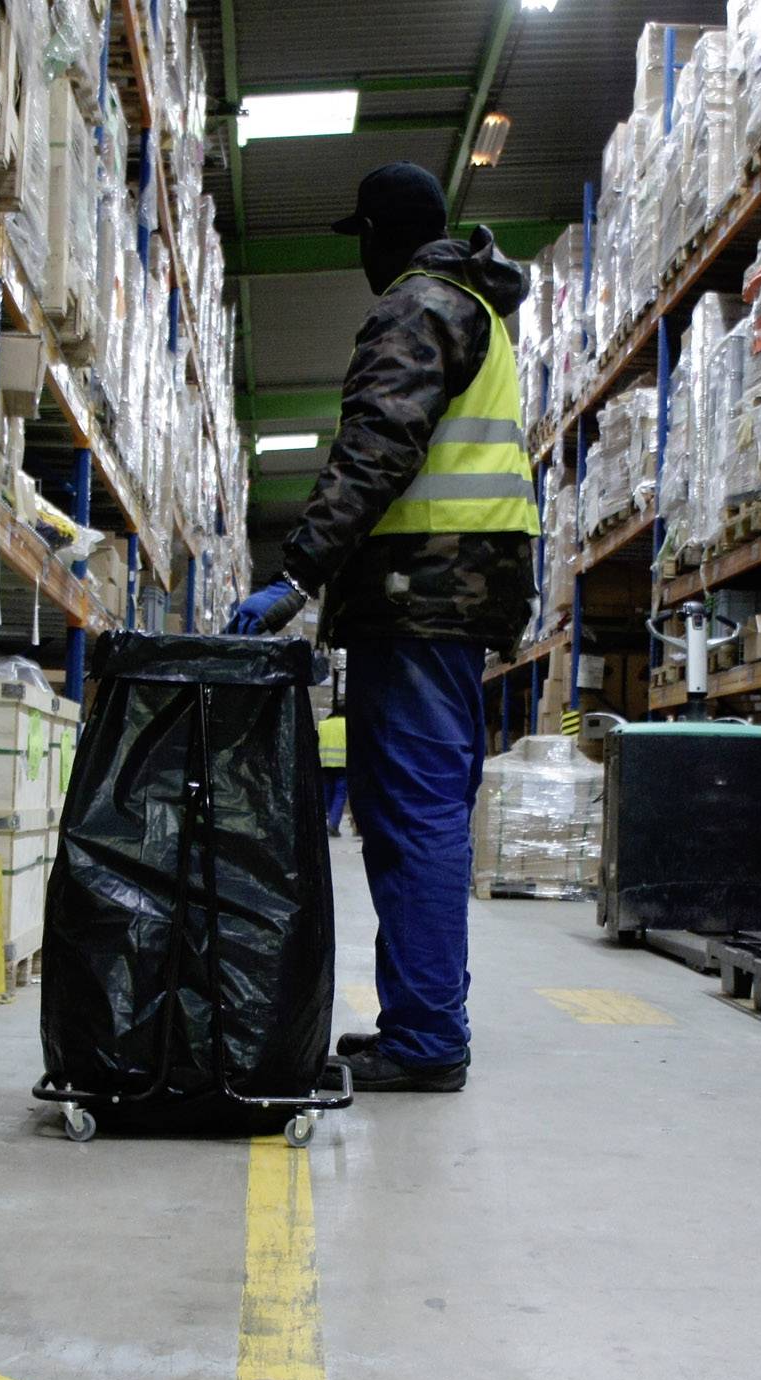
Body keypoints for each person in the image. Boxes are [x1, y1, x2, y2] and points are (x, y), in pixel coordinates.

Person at [225, 162, 539, 1094]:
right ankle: (419, 1022)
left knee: (415, 813)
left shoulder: (420, 303)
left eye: (359, 236)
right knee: (409, 812)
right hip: (443, 591)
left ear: (379, 233)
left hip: (424, 590)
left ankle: (430, 1037)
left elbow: (378, 443)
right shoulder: (469, 301)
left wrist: (295, 572)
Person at [317, 703, 350, 835]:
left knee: (326, 794)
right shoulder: (348, 724)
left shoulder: (323, 724)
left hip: (324, 764)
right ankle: (333, 824)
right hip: (343, 764)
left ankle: (320, 824)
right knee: (340, 795)